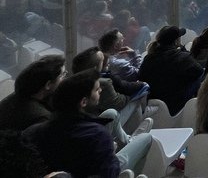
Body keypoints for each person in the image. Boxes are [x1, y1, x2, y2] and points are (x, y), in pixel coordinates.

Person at [23, 69, 153, 178]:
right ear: (83, 102)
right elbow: (108, 174)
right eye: (96, 89)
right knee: (146, 138)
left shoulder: (32, 132)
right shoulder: (97, 135)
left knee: (111, 114)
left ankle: (129, 140)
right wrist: (110, 153)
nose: (100, 90)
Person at [138, 25, 203, 116]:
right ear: (176, 41)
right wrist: (184, 50)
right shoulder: (183, 57)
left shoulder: (149, 58)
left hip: (154, 103)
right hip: (176, 105)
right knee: (198, 77)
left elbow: (141, 77)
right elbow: (199, 71)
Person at [0, 55, 65, 131]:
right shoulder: (42, 118)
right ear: (48, 85)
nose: (64, 79)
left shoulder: (14, 98)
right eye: (62, 75)